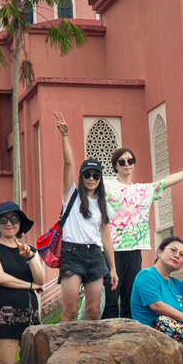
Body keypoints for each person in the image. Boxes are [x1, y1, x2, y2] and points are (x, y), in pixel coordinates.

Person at [64, 115, 183, 320]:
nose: (127, 164)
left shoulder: (144, 190)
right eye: (122, 161)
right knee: (110, 299)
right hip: (110, 250)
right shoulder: (106, 186)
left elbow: (167, 181)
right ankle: (108, 334)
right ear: (115, 165)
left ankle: (129, 334)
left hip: (134, 250)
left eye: (130, 161)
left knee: (130, 297)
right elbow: (86, 191)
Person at [50, 112, 116, 322]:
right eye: (87, 175)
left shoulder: (104, 205)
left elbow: (106, 238)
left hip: (96, 255)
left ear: (100, 179)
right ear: (81, 176)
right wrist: (65, 135)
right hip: (73, 252)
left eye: (96, 175)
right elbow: (67, 164)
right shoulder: (72, 194)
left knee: (93, 312)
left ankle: (88, 344)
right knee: (69, 311)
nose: (91, 178)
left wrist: (113, 268)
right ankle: (62, 343)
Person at [0, 202, 48, 348]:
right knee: (6, 362)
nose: (9, 223)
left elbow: (41, 279)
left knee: (33, 362)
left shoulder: (30, 250)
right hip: (2, 323)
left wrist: (29, 256)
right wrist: (30, 286)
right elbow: (0, 277)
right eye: (4, 219)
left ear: (20, 223)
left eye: (14, 219)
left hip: (31, 321)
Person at [130, 235, 183, 344]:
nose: (177, 255)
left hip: (175, 328)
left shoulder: (177, 283)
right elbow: (156, 306)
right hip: (152, 332)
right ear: (159, 252)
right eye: (173, 250)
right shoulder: (146, 275)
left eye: (182, 254)